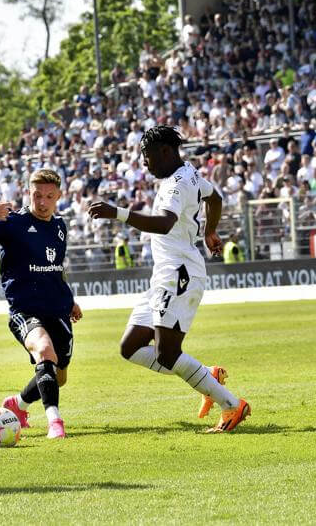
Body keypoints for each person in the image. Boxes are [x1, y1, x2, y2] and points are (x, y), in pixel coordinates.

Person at [88, 125, 250, 432]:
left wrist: (117, 213)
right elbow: (214, 198)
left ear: (164, 152)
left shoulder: (175, 184)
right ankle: (207, 376)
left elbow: (164, 224)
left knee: (166, 353)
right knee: (131, 347)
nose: (145, 163)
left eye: (147, 156)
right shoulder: (189, 172)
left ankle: (232, 405)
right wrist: (209, 231)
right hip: (164, 274)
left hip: (180, 273)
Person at [0, 168, 83, 439]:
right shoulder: (11, 222)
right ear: (29, 192)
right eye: (37, 195)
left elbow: (57, 267)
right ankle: (55, 423)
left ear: (59, 196)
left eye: (49, 196)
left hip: (58, 309)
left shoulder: (60, 226)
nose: (42, 202)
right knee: (45, 351)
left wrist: (71, 299)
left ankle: (18, 404)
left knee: (58, 377)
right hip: (24, 310)